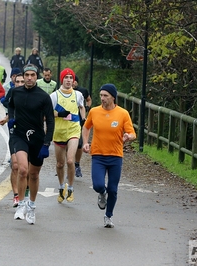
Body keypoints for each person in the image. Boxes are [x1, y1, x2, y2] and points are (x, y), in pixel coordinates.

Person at [82, 83, 136, 228]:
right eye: (101, 95)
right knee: (98, 185)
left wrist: (128, 136)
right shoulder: (94, 111)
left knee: (113, 189)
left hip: (115, 156)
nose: (102, 98)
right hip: (98, 154)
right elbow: (86, 127)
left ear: (113, 97)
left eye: (105, 96)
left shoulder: (123, 113)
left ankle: (108, 216)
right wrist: (85, 142)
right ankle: (101, 193)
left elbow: (132, 133)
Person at [8, 64, 54, 224]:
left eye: (32, 75)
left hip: (37, 138)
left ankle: (32, 206)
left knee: (33, 175)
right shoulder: (16, 92)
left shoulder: (43, 97)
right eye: (26, 75)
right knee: (22, 170)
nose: (28, 78)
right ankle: (21, 204)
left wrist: (46, 144)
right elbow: (11, 105)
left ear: (36, 77)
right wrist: (12, 118)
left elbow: (50, 120)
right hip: (20, 135)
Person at [50, 68, 85, 203]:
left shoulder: (78, 95)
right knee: (60, 164)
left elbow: (82, 106)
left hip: (73, 130)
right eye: (66, 78)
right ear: (62, 79)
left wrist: (83, 119)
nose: (69, 80)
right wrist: (59, 114)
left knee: (70, 161)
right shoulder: (54, 96)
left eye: (71, 78)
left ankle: (70, 188)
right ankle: (61, 187)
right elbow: (47, 113)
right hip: (58, 132)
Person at [0, 73, 26, 207]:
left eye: (22, 82)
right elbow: (9, 106)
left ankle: (25, 192)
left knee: (26, 168)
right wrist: (8, 118)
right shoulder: (12, 93)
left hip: (29, 133)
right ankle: (16, 195)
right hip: (15, 131)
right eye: (18, 82)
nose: (20, 84)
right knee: (15, 165)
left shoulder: (31, 94)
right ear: (14, 83)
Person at [73, 75, 92, 177]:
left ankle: (76, 164)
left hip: (80, 119)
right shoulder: (63, 91)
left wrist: (87, 107)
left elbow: (89, 99)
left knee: (79, 144)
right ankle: (67, 165)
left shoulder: (82, 91)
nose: (73, 82)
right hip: (66, 120)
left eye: (75, 81)